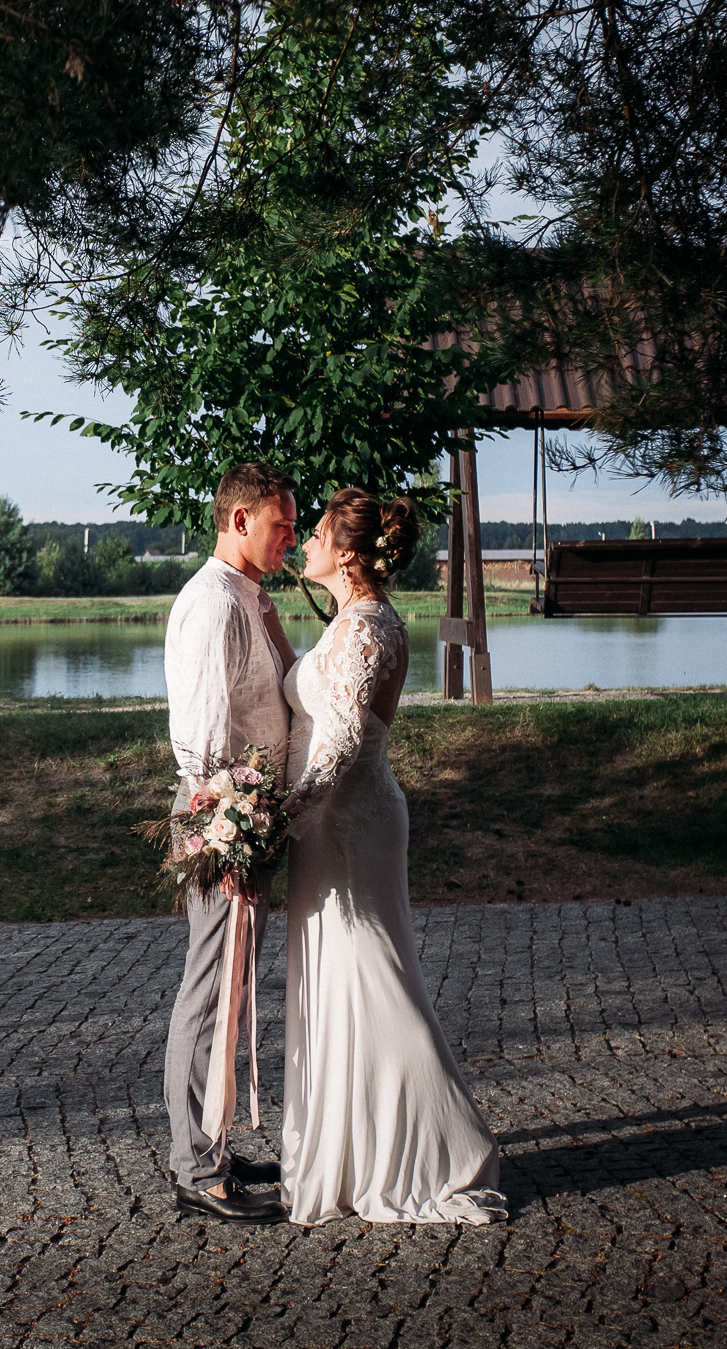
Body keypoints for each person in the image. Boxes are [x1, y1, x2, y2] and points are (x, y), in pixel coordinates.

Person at [279, 488, 506, 1226]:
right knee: (340, 975)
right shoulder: (352, 622)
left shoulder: (366, 629)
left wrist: (277, 816)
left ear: (347, 553)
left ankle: (441, 1150)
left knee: (373, 974)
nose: (305, 543)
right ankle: (349, 1150)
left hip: (347, 824)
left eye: (314, 533)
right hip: (338, 820)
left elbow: (342, 744)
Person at [161, 461, 298, 1223]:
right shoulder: (211, 604)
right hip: (223, 818)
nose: (289, 536)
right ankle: (194, 1168)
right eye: (280, 524)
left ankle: (210, 1141)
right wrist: (226, 833)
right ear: (238, 520)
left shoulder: (248, 597)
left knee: (231, 990)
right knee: (209, 990)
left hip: (246, 814)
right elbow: (203, 735)